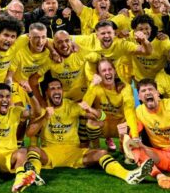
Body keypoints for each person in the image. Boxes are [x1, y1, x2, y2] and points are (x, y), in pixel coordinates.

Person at [25, 78, 153, 184]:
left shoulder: (72, 106)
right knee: (32, 150)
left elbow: (102, 117)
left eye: (58, 88)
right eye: (52, 89)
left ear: (62, 91)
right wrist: (45, 117)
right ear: (46, 92)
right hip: (50, 153)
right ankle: (33, 174)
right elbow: (29, 133)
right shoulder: (41, 109)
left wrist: (91, 110)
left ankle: (128, 175)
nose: (56, 91)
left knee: (102, 152)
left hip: (74, 153)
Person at [82, 59, 137, 153]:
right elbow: (83, 108)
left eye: (110, 69)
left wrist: (135, 135)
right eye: (103, 70)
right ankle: (96, 149)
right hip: (103, 125)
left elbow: (129, 111)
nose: (107, 72)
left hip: (120, 126)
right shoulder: (96, 87)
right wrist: (92, 85)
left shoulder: (125, 87)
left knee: (129, 124)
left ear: (114, 71)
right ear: (98, 74)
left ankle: (123, 149)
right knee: (91, 120)